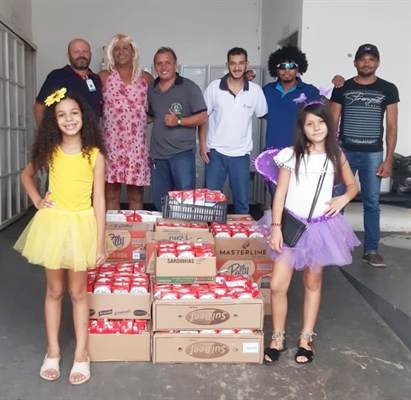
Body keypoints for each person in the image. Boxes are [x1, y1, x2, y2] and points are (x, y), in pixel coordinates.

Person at [255, 100, 360, 365]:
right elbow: (280, 194)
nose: (316, 127)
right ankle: (277, 337)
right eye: (309, 123)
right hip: (291, 225)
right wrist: (276, 228)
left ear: (329, 124)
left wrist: (343, 199)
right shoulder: (291, 155)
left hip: (320, 228)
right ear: (302, 128)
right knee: (278, 285)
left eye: (321, 122)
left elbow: (352, 186)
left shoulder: (336, 156)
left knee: (313, 282)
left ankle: (306, 339)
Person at [14, 88, 107, 384]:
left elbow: (100, 200)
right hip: (53, 225)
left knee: (78, 293)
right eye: (61, 115)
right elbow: (26, 175)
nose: (69, 120)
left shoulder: (94, 154)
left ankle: (81, 354)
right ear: (55, 121)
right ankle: (52, 350)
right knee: (54, 291)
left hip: (81, 225)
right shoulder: (50, 151)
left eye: (74, 113)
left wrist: (101, 240)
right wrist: (38, 200)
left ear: (84, 117)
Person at [330, 44, 400, 268]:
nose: (366, 63)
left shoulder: (388, 89)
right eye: (362, 59)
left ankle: (371, 250)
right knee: (336, 201)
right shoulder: (342, 87)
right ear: (355, 63)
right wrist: (332, 154)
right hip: (344, 154)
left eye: (371, 59)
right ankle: (332, 247)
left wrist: (388, 159)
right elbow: (332, 123)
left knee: (371, 203)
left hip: (373, 154)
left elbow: (391, 126)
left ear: (377, 63)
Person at [263, 44, 344, 201]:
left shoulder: (309, 91)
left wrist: (340, 87)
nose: (287, 70)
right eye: (282, 66)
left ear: (298, 67)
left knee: (297, 198)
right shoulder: (267, 90)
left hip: (301, 152)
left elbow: (332, 109)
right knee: (276, 197)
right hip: (273, 153)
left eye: (291, 66)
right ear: (276, 69)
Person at [199, 47, 268, 214]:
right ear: (227, 65)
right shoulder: (215, 88)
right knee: (211, 203)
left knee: (242, 203)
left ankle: (239, 239)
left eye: (241, 63)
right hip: (215, 153)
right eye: (233, 63)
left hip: (241, 155)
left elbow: (265, 116)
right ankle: (213, 237)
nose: (237, 68)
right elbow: (202, 118)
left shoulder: (255, 91)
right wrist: (202, 144)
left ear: (247, 65)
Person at [147, 47, 208, 211]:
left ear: (176, 65)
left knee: (185, 203)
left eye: (167, 62)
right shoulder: (151, 90)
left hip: (181, 154)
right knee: (161, 204)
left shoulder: (189, 87)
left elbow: (203, 117)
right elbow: (152, 115)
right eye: (159, 63)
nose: (163, 67)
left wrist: (179, 120)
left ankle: (185, 235)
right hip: (158, 157)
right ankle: (164, 235)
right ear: (154, 67)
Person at [99, 34, 154, 210]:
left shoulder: (145, 78)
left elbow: (157, 109)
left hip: (136, 147)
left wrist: (139, 121)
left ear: (133, 52)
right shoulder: (103, 77)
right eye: (117, 48)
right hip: (111, 145)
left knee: (136, 194)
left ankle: (134, 233)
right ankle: (113, 234)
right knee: (111, 193)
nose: (121, 52)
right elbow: (92, 108)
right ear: (111, 53)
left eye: (125, 48)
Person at [34, 38, 102, 126]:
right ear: (68, 56)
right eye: (76, 51)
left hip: (91, 137)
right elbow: (40, 107)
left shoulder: (96, 79)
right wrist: (47, 136)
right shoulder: (57, 76)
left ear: (90, 55)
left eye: (85, 51)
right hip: (66, 136)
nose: (81, 55)